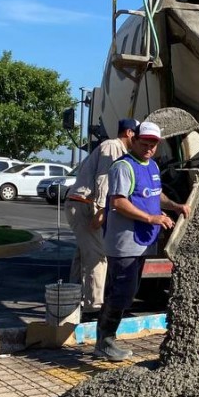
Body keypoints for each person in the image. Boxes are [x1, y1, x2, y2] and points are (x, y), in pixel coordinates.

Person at [95, 121, 190, 361]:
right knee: (122, 293)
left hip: (142, 241)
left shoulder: (152, 166)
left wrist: (175, 206)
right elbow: (118, 202)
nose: (149, 148)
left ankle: (104, 341)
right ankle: (105, 341)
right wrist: (151, 218)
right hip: (124, 242)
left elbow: (157, 195)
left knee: (127, 291)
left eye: (153, 144)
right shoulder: (124, 167)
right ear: (134, 140)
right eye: (144, 143)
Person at [65, 119, 137, 319]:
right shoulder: (112, 147)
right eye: (137, 134)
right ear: (129, 133)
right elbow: (104, 180)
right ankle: (94, 308)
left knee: (84, 254)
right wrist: (102, 210)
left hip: (79, 203)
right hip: (85, 205)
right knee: (97, 257)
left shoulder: (116, 148)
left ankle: (72, 300)